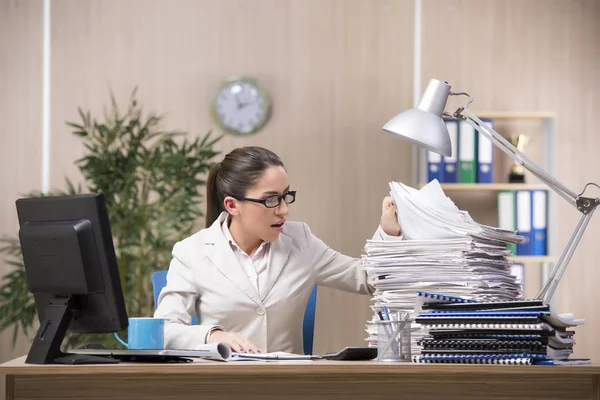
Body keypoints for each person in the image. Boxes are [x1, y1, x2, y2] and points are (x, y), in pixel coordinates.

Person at [154, 146, 402, 354]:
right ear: (232, 205)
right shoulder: (192, 252)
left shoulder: (301, 240)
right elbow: (164, 330)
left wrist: (387, 233)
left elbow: (369, 280)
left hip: (287, 386)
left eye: (285, 196)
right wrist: (213, 336)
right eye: (270, 199)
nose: (284, 210)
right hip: (223, 386)